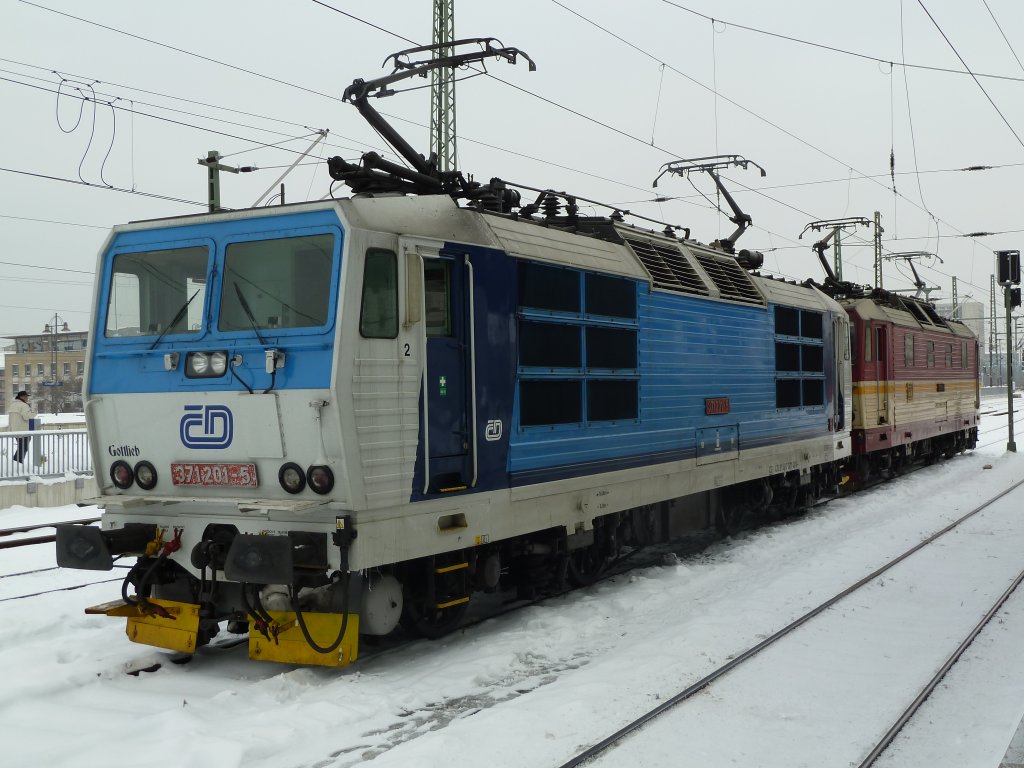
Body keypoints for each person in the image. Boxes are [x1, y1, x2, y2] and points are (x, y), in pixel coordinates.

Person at [9, 390, 36, 465]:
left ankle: (15, 464)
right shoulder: (24, 405)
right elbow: (26, 417)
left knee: (21, 448)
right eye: (26, 396)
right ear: (22, 397)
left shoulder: (12, 405)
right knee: (23, 448)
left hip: (15, 430)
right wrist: (33, 413)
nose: (27, 398)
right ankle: (17, 465)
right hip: (24, 431)